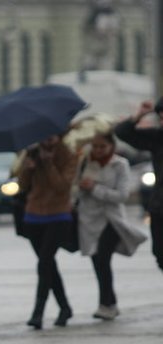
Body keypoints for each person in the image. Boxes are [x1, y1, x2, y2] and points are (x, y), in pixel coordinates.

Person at [75, 130, 147, 320]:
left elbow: (122, 196)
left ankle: (105, 303)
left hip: (111, 219)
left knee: (103, 260)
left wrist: (95, 189)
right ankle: (111, 302)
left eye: (102, 147)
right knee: (96, 261)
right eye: (95, 146)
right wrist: (82, 188)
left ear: (112, 147)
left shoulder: (120, 165)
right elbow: (75, 192)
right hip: (89, 220)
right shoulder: (84, 163)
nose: (98, 150)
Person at [14, 134, 78, 329]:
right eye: (44, 135)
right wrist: (27, 168)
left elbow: (62, 186)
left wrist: (49, 164)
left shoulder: (68, 154)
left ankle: (38, 312)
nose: (48, 139)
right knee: (48, 264)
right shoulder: (32, 152)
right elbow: (22, 186)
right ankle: (65, 307)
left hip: (59, 215)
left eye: (52, 135)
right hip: (33, 215)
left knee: (44, 262)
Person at [115, 98, 163, 271]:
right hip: (159, 207)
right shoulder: (157, 138)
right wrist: (140, 115)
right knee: (160, 254)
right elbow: (122, 132)